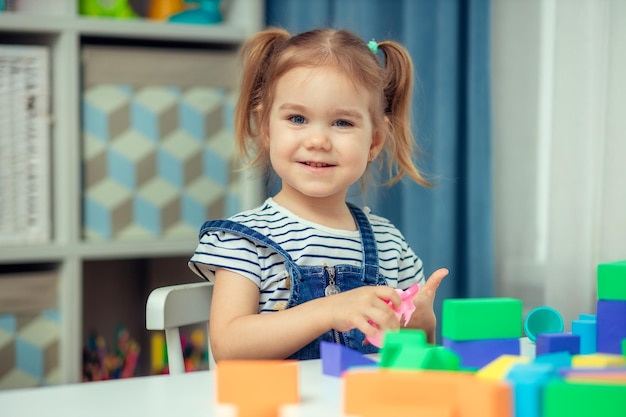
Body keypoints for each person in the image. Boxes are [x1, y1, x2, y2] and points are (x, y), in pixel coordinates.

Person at [188, 27, 448, 361]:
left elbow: (409, 358)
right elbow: (229, 347)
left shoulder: (390, 244)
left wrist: (422, 325)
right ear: (267, 128)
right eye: (298, 118)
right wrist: (329, 310)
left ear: (373, 143)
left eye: (342, 123)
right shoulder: (244, 241)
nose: (318, 141)